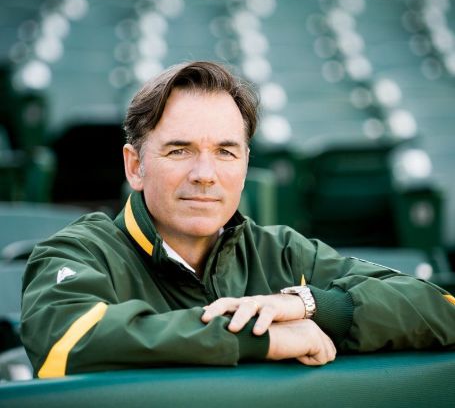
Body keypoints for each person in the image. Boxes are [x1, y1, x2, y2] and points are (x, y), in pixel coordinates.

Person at [21, 61, 455, 379]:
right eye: (179, 150)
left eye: (226, 151)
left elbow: (442, 311)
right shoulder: (78, 250)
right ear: (135, 166)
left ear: (245, 166)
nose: (205, 174)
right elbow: (66, 343)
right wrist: (258, 336)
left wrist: (311, 305)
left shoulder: (282, 252)